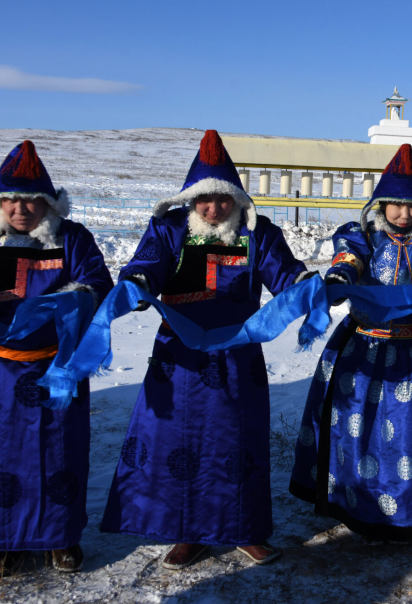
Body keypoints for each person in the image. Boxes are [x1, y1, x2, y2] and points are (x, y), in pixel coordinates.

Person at [100, 130, 310, 569]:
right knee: (180, 442)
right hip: (179, 360)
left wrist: (306, 287)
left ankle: (245, 528)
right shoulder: (169, 230)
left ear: (236, 199)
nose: (213, 209)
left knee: (239, 442)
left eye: (222, 199)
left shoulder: (259, 234)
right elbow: (147, 267)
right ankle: (188, 532)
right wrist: (139, 283)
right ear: (190, 200)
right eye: (204, 200)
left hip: (238, 359)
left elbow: (286, 275)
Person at [289, 144, 412, 543]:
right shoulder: (365, 237)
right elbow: (347, 264)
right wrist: (339, 281)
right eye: (396, 205)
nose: (404, 215)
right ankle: (360, 502)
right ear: (380, 203)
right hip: (367, 349)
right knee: (361, 428)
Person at [0, 141, 113, 572]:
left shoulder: (73, 239)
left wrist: (68, 302)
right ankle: (5, 537)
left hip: (57, 366)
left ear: (48, 203)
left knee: (58, 452)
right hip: (2, 369)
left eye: (31, 200)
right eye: (10, 199)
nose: (20, 209)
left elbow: (97, 284)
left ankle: (60, 537)